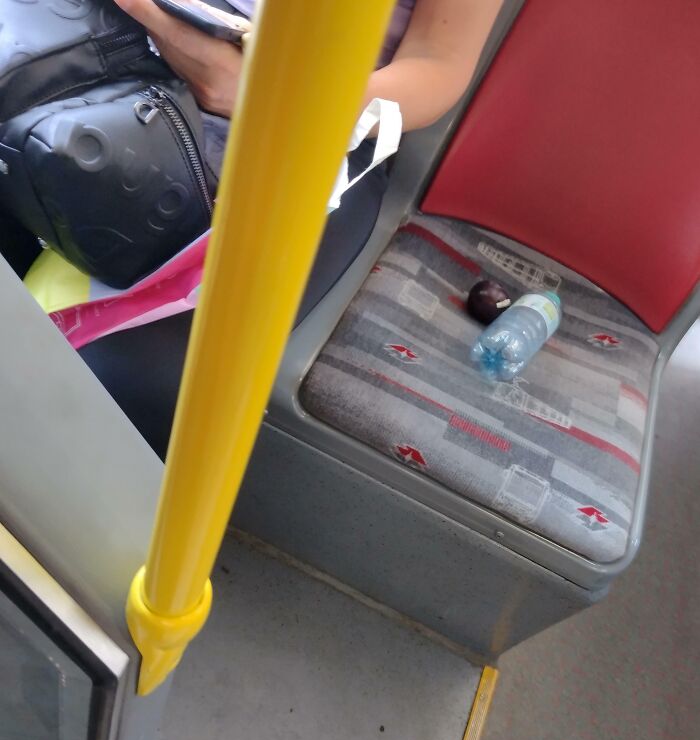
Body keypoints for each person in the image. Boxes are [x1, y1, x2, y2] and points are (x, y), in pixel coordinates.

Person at [80, 0, 502, 458]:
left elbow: (435, 62)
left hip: (319, 117)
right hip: (109, 29)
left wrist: (280, 95)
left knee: (138, 371)